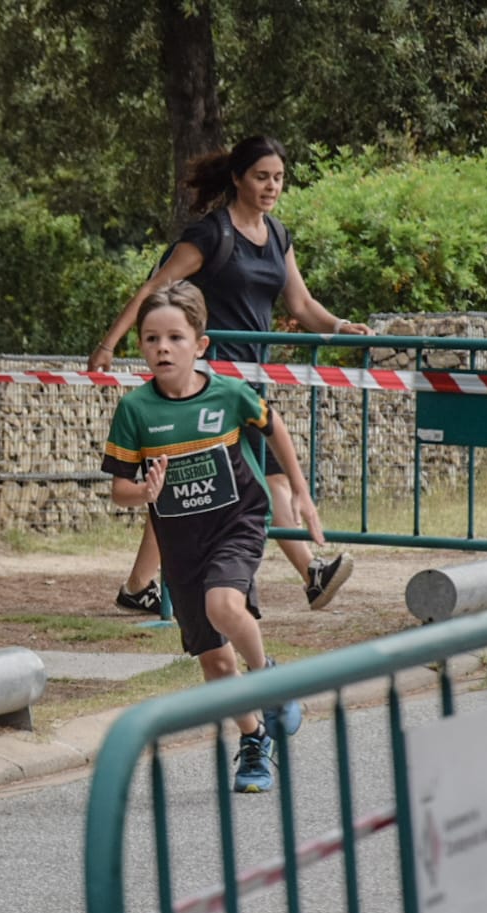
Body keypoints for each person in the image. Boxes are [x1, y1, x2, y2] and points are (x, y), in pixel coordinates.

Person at [89, 135, 371, 615]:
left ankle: (139, 586)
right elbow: (154, 290)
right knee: (256, 480)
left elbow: (301, 305)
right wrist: (109, 343)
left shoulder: (278, 235)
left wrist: (342, 328)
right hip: (209, 385)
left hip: (249, 383)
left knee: (189, 485)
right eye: (261, 177)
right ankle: (311, 573)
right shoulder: (210, 236)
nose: (271, 186)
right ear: (238, 178)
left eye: (278, 178)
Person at [102, 281, 314, 792]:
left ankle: (269, 681)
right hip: (181, 542)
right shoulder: (136, 410)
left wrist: (302, 493)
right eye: (151, 339)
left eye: (175, 337)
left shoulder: (227, 393)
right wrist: (146, 491)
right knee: (215, 660)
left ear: (199, 345)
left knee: (225, 606)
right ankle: (254, 739)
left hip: (235, 523)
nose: (162, 348)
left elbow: (272, 425)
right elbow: (118, 491)